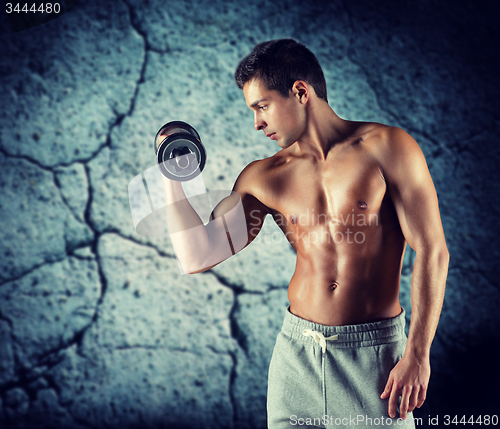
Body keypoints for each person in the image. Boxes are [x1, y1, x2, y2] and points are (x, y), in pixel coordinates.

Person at [161, 39, 449, 428]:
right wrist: (170, 171)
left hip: (374, 361)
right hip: (296, 359)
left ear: (300, 91)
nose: (257, 123)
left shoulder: (388, 148)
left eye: (262, 106)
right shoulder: (263, 177)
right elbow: (196, 255)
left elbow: (433, 250)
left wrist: (417, 353)